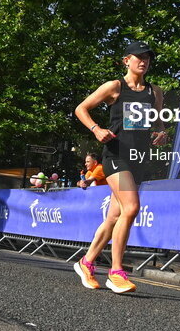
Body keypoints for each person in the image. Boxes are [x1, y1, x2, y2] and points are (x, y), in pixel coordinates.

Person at [72, 41, 168, 294]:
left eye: (147, 57)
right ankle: (116, 272)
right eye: (138, 56)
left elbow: (157, 122)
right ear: (126, 60)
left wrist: (161, 133)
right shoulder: (115, 87)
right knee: (132, 207)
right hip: (116, 156)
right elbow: (81, 108)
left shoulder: (154, 92)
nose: (143, 61)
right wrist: (96, 129)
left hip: (138, 158)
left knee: (114, 216)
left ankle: (86, 262)